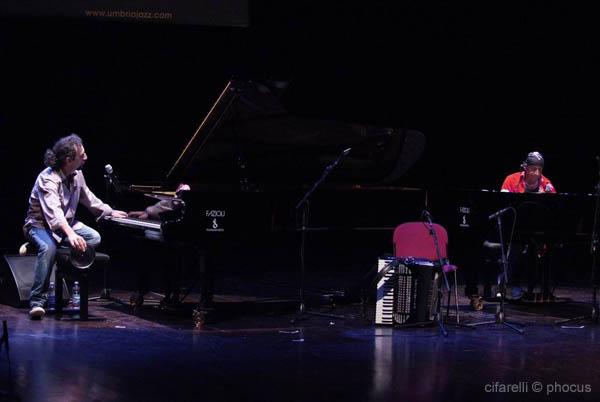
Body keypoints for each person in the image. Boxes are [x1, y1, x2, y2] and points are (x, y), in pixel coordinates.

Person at [23, 133, 128, 319]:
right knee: (48, 248)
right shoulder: (47, 179)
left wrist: (109, 211)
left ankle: (46, 248)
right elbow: (54, 213)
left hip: (66, 225)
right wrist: (70, 234)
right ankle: (37, 301)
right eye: (82, 155)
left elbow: (88, 198)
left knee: (94, 238)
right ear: (69, 159)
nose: (86, 157)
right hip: (40, 225)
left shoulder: (77, 174)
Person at [500, 151, 556, 300]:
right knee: (517, 246)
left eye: (540, 169)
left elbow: (554, 210)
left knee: (549, 244)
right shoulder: (511, 180)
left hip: (537, 231)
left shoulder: (547, 184)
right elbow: (502, 204)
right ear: (525, 167)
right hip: (513, 229)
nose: (537, 172)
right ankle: (509, 284)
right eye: (533, 168)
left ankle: (542, 288)